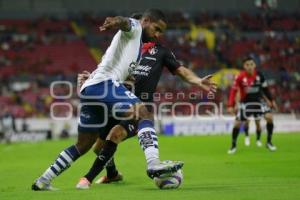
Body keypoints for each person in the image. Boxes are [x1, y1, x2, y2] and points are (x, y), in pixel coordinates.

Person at [32, 9, 184, 191]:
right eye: (156, 29)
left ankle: (44, 180)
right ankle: (153, 163)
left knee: (83, 145)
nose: (157, 35)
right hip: (103, 85)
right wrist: (115, 21)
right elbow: (126, 22)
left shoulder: (132, 50)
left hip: (91, 88)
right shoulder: (135, 27)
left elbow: (117, 72)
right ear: (146, 21)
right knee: (143, 113)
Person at [75, 16, 217, 188]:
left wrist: (197, 81)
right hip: (116, 103)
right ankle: (112, 174)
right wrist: (90, 78)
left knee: (115, 135)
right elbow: (108, 71)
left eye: (159, 31)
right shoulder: (127, 48)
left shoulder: (161, 51)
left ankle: (88, 179)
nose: (157, 35)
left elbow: (181, 70)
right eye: (155, 29)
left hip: (140, 108)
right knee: (98, 148)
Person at [227, 57, 277, 154]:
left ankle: (269, 142)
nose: (250, 66)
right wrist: (230, 105)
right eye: (247, 64)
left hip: (259, 102)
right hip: (245, 103)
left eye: (251, 64)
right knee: (237, 123)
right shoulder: (240, 77)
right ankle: (233, 145)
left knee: (270, 118)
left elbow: (266, 89)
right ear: (244, 66)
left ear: (254, 65)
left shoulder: (260, 75)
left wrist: (272, 100)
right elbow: (233, 91)